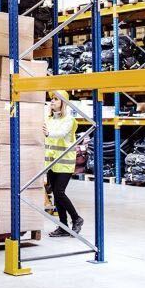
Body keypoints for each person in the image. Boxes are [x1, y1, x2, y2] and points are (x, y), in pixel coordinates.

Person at [43, 90, 84, 237]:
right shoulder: (49, 119)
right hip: (51, 163)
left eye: (56, 99)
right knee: (56, 194)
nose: (52, 101)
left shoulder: (69, 120)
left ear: (63, 103)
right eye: (51, 99)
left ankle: (76, 218)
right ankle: (63, 226)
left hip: (65, 163)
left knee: (59, 192)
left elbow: (59, 133)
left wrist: (47, 133)